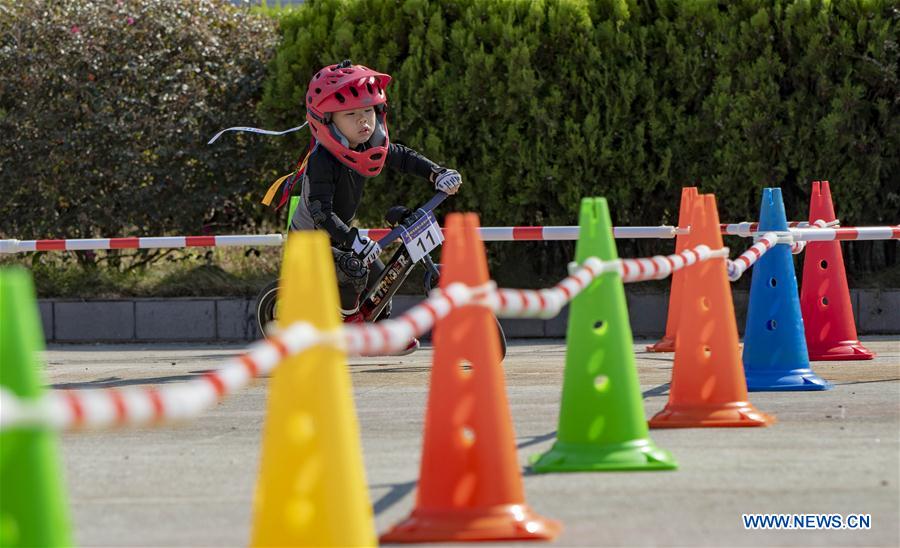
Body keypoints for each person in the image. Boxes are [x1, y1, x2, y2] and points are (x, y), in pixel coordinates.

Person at [290, 60, 462, 354]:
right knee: (353, 271)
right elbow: (321, 212)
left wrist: (437, 173)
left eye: (368, 111)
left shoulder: (366, 145)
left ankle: (380, 334)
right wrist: (352, 239)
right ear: (327, 121)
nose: (363, 122)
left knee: (382, 282)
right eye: (351, 114)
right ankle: (348, 328)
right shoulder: (322, 160)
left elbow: (403, 156)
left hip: (342, 238)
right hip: (313, 241)